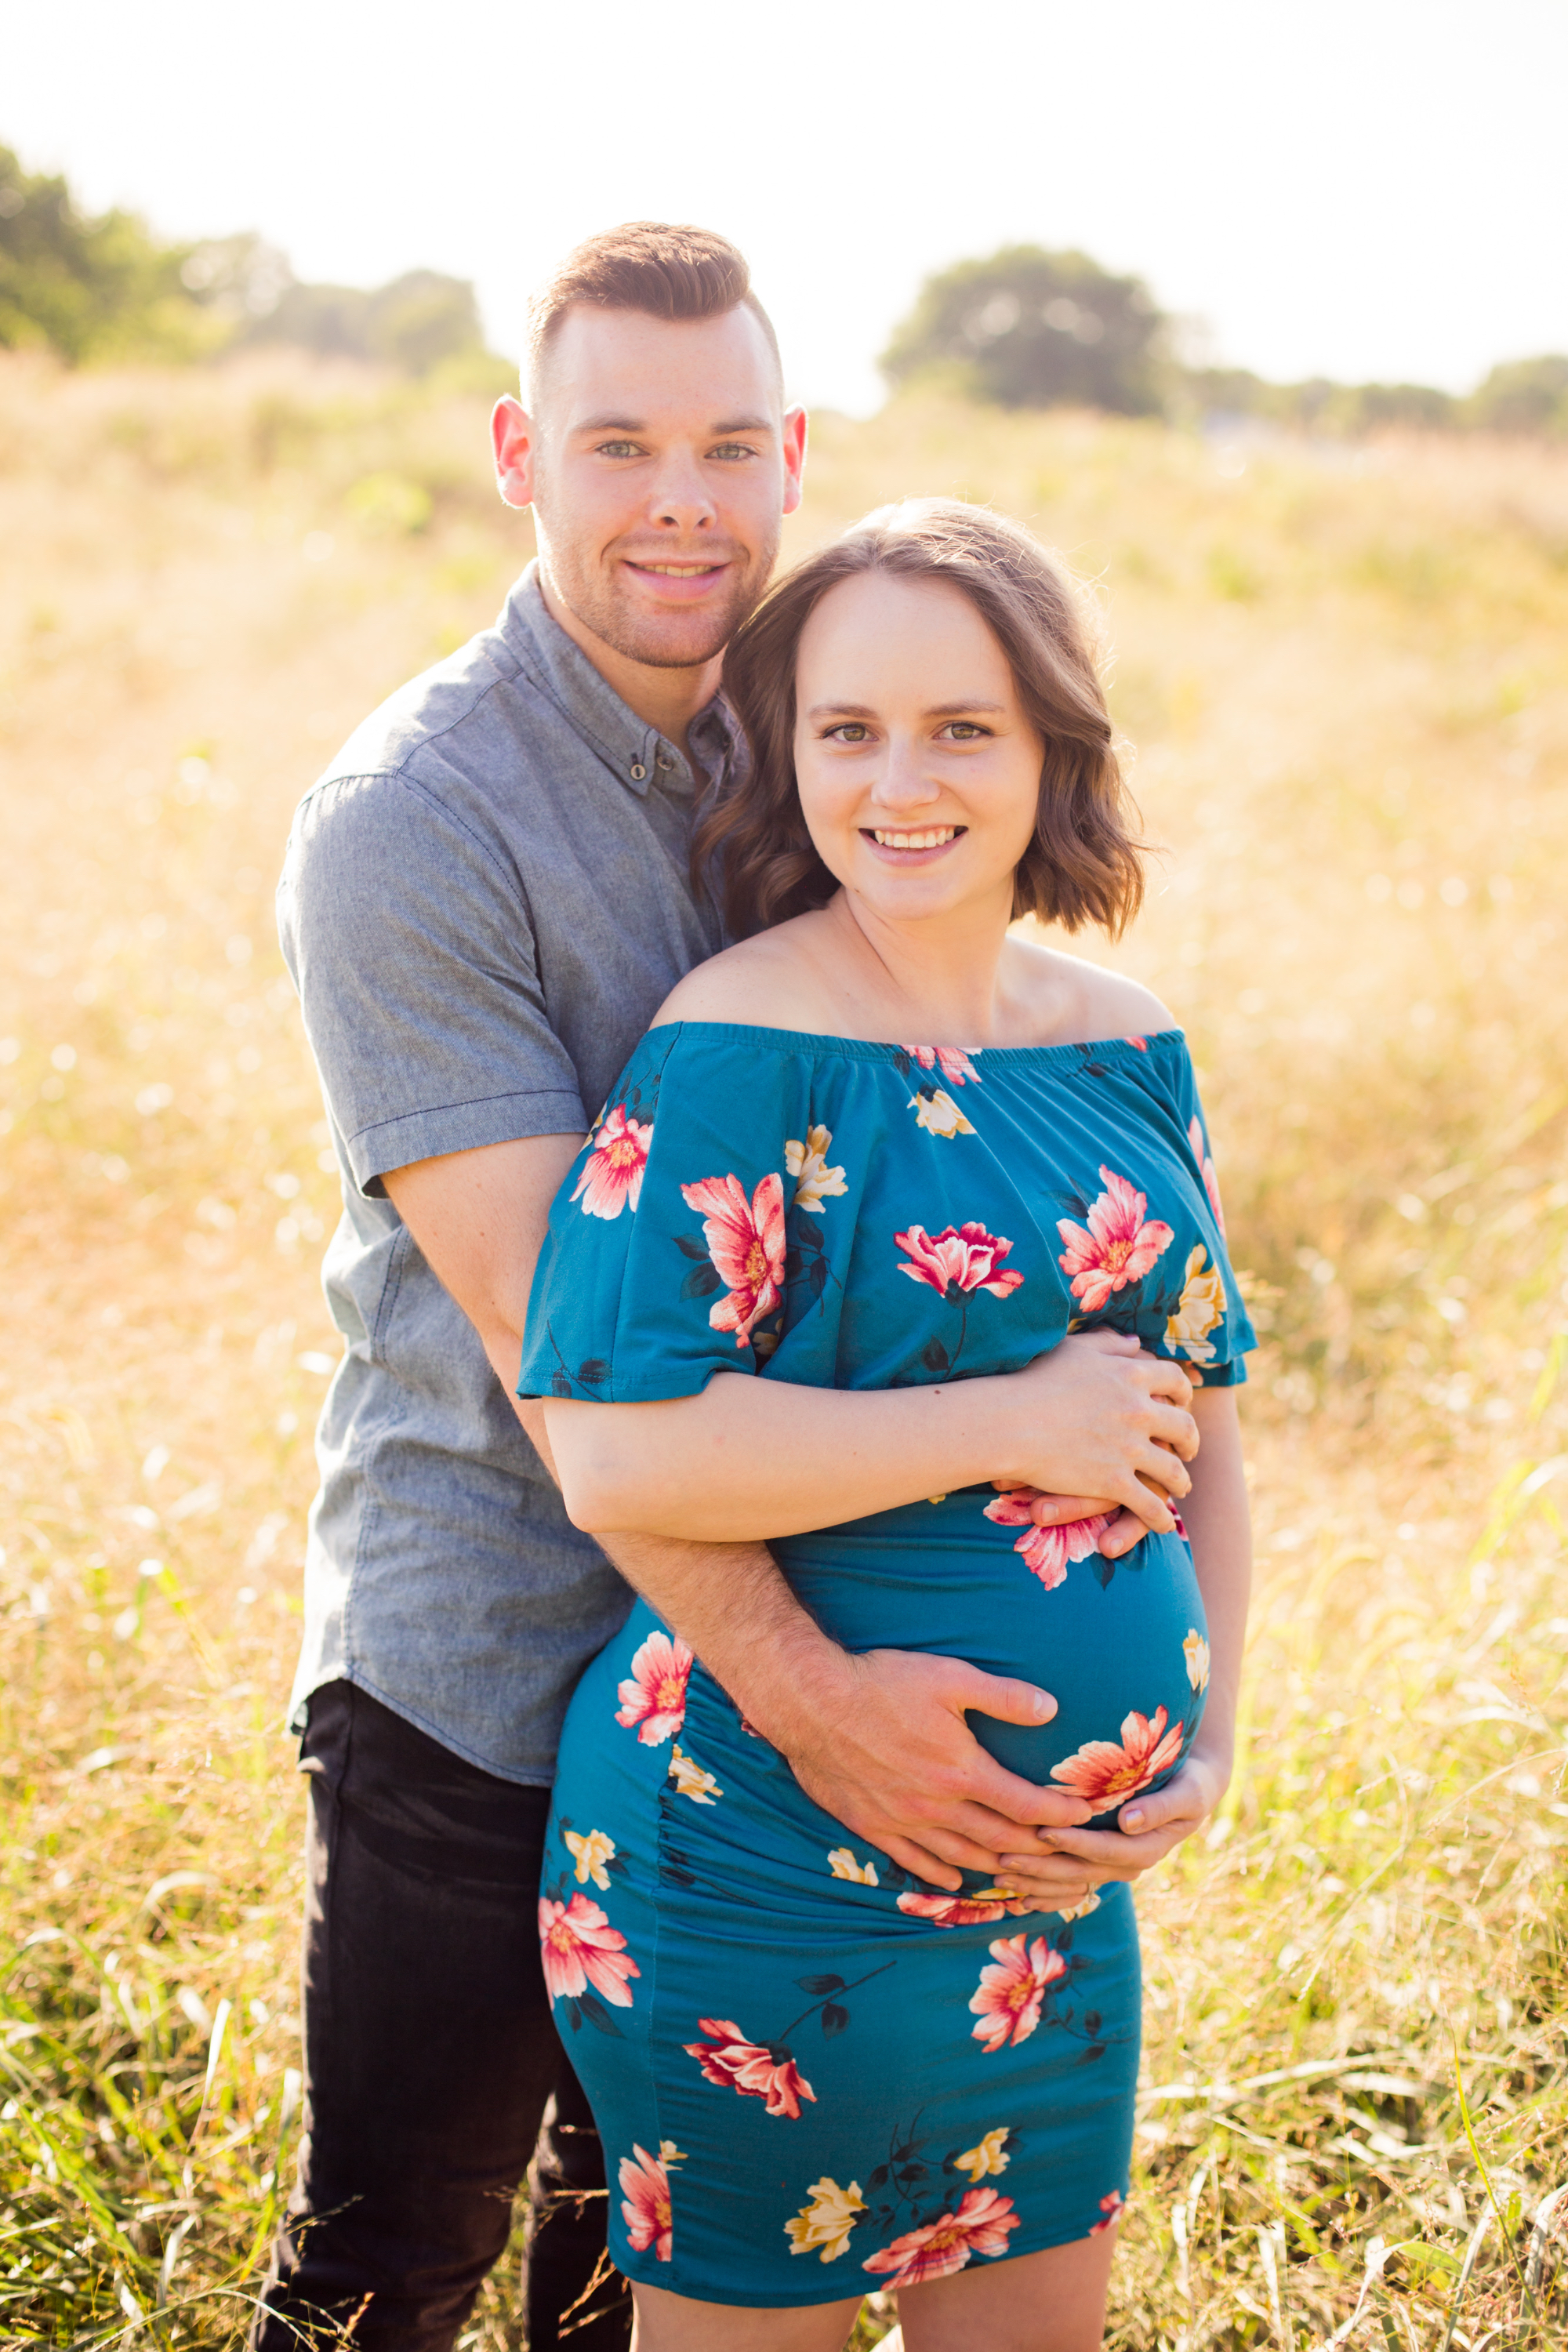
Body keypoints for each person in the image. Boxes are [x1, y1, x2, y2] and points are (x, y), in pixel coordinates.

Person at [256, 223, 1203, 2352]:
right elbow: (560, 1373)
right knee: (396, 2269)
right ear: (523, 453)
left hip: (796, 1718)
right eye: (617, 444)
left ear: (792, 456)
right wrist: (810, 1696)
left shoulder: (825, 740)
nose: (678, 498)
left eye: (724, 444)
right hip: (496, 1670)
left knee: (634, 2293)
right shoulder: (415, 824)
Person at [517, 499, 1255, 2352]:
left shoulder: (1119, 1041)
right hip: (761, 1841)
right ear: (786, 755)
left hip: (1047, 1884)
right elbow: (620, 1453)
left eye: (961, 729)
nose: (900, 780)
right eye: (848, 730)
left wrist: (1210, 1736)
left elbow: (1202, 1433)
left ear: (1047, 752)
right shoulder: (730, 1047)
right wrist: (1019, 1418)